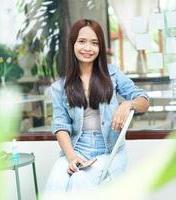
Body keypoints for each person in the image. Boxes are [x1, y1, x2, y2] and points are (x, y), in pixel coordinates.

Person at [44, 19, 149, 194]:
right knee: (55, 183)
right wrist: (72, 157)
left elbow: (144, 101)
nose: (88, 48)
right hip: (76, 148)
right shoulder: (59, 87)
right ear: (73, 44)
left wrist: (127, 104)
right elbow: (61, 127)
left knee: (79, 180)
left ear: (100, 48)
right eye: (82, 41)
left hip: (108, 151)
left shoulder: (113, 74)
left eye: (94, 43)